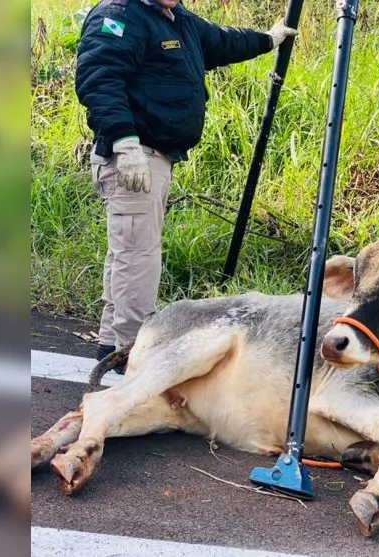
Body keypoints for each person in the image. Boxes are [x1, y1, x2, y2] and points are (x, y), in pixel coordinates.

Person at [75, 0, 297, 365]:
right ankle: (132, 352)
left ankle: (113, 344)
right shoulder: (118, 16)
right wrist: (124, 140)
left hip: (154, 155)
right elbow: (98, 78)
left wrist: (268, 39)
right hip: (133, 154)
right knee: (137, 255)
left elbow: (223, 41)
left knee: (128, 251)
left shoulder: (176, 19)